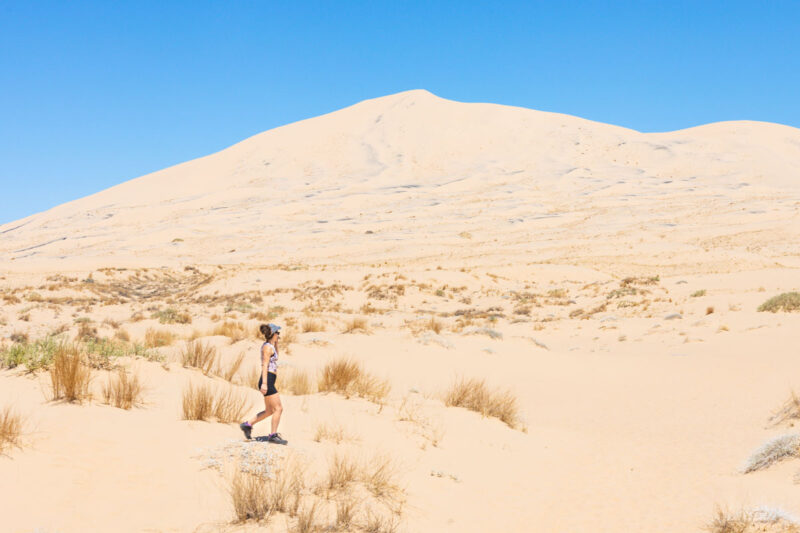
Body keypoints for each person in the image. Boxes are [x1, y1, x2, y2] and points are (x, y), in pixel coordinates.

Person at [239, 323, 287, 444]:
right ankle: (272, 435)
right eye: (278, 333)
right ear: (273, 334)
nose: (279, 335)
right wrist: (264, 384)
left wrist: (276, 343)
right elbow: (265, 365)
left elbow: (276, 357)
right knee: (278, 409)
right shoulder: (267, 347)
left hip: (270, 379)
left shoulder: (271, 346)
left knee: (269, 411)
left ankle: (247, 425)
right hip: (268, 380)